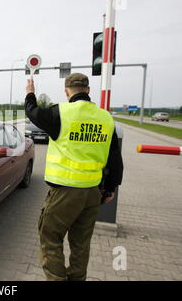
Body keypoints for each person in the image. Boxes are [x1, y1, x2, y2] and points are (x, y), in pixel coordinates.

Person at [24, 73, 123, 281]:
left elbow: (32, 113)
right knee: (80, 244)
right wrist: (110, 189)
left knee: (50, 237)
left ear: (67, 91)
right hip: (93, 193)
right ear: (88, 90)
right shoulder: (106, 118)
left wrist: (30, 94)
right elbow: (115, 159)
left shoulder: (61, 113)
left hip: (65, 192)